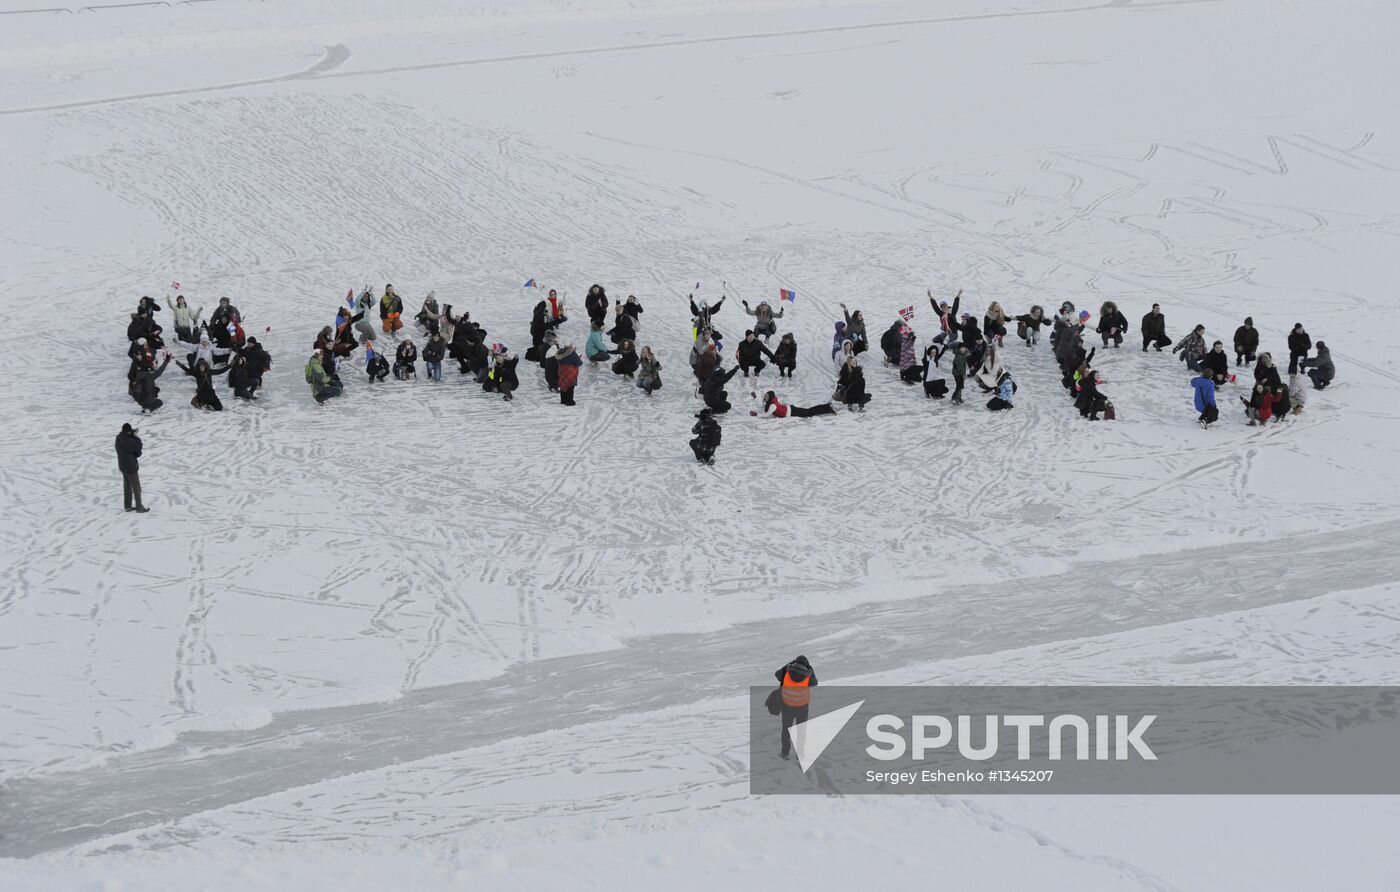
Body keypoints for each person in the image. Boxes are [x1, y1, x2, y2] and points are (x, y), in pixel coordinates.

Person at [774, 655, 817, 760]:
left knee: (786, 730)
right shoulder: (808, 674)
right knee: (801, 731)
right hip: (802, 707)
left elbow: (777, 674)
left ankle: (785, 753)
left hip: (787, 706)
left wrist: (790, 664)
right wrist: (810, 668)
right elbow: (814, 683)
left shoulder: (787, 671)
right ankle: (800, 754)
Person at [116, 423, 149, 513]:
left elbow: (133, 449)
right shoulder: (130, 441)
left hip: (122, 466)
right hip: (131, 467)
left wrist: (131, 436)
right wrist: (135, 437)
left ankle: (127, 506)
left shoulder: (119, 437)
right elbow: (138, 447)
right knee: (136, 488)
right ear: (129, 432)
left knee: (127, 486)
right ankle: (139, 508)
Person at [753, 390, 835, 418]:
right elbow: (761, 406)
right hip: (790, 409)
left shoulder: (772, 405)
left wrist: (756, 415)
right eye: (765, 396)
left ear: (770, 397)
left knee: (810, 412)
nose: (765, 397)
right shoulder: (770, 402)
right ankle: (827, 406)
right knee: (809, 410)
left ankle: (827, 408)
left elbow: (767, 415)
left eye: (767, 396)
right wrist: (755, 398)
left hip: (791, 411)